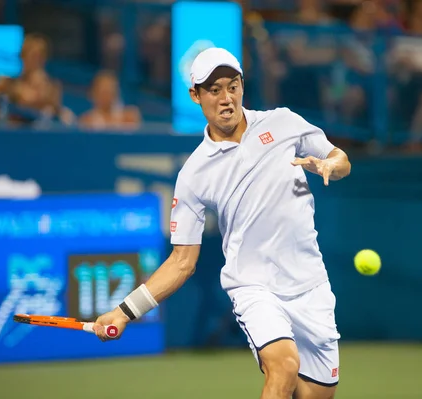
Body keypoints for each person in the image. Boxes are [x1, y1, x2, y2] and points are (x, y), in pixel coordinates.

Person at [93, 47, 351, 399]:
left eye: (233, 86)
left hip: (311, 286)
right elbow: (182, 262)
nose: (226, 98)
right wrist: (125, 311)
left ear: (243, 86)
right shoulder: (194, 174)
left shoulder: (285, 123)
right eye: (214, 90)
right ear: (195, 96)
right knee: (284, 366)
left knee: (315, 395)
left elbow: (339, 157)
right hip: (254, 287)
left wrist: (332, 166)